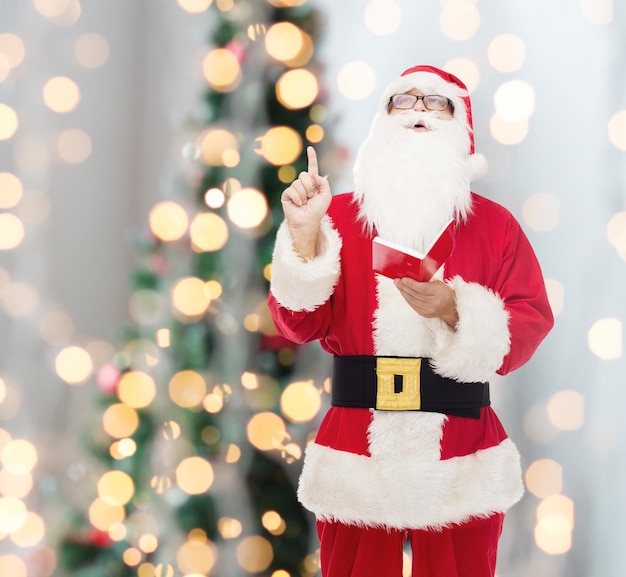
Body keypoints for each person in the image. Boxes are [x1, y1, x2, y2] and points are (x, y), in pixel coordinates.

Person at [267, 64, 554, 577]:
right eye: (404, 100)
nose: (418, 110)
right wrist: (305, 237)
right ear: (382, 120)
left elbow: (529, 323)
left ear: (461, 126)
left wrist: (456, 309)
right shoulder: (336, 217)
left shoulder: (496, 226)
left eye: (435, 102)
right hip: (359, 449)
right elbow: (298, 326)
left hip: (460, 451)